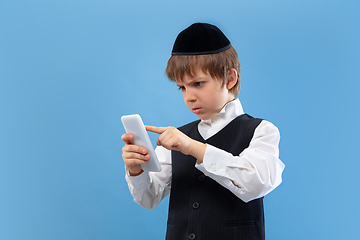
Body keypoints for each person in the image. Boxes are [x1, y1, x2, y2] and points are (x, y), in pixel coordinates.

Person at [121, 22, 285, 240]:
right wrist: (135, 170)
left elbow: (257, 182)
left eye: (198, 83)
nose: (189, 96)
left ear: (229, 78)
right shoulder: (177, 137)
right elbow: (149, 198)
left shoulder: (261, 131)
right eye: (182, 87)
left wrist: (192, 147)